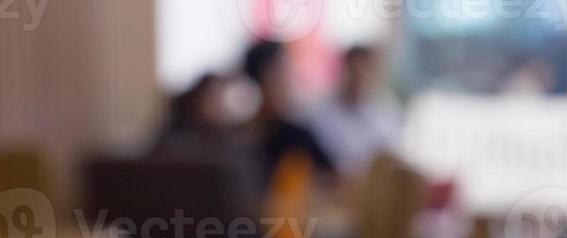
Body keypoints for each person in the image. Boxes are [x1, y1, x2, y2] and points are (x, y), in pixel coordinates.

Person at [243, 40, 336, 187]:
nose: (288, 79)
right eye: (281, 70)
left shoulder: (298, 135)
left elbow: (332, 178)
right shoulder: (241, 138)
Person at [309, 45, 402, 176]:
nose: (359, 78)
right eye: (354, 71)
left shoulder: (387, 110)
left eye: (364, 71)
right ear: (344, 71)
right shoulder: (322, 114)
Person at [155, 73, 235, 152]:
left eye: (218, 110)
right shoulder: (185, 76)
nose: (210, 103)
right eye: (215, 97)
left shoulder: (178, 137)